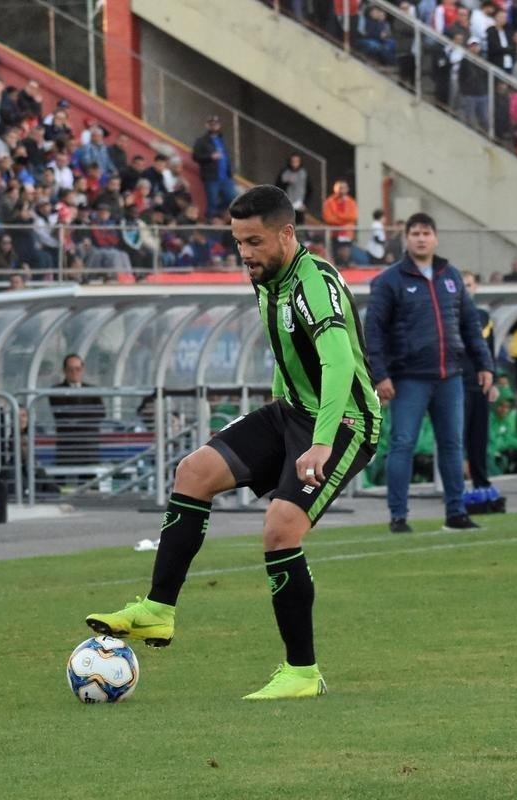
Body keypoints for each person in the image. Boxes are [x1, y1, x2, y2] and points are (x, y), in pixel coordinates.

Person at [86, 186, 381, 700]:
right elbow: (289, 351)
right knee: (193, 472)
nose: (244, 252)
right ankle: (158, 609)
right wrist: (275, 411)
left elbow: (336, 363)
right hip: (291, 412)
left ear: (287, 234)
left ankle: (302, 673)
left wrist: (320, 442)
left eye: (254, 241)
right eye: (238, 241)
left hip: (345, 422)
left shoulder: (314, 283)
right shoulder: (269, 277)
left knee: (281, 529)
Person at [365, 213, 494, 534]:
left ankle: (456, 512)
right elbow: (373, 331)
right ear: (406, 238)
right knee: (402, 443)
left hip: (450, 375)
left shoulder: (451, 276)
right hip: (408, 377)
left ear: (436, 238)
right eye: (415, 233)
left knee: (452, 444)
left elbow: (470, 325)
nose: (421, 239)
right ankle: (398, 516)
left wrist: (485, 364)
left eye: (426, 233)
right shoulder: (389, 280)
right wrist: (380, 375)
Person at [460, 272, 500, 496]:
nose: (466, 289)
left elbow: (489, 351)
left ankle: (481, 483)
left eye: (469, 285)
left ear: (476, 288)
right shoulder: (449, 315)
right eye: (462, 285)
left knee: (479, 436)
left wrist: (493, 379)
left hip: (481, 384)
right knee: (457, 436)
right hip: (458, 383)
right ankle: (456, 486)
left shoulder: (484, 317)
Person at [48, 354, 105, 467]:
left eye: (78, 369)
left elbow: (100, 413)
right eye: (70, 369)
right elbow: (62, 415)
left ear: (82, 370)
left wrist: (76, 416)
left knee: (90, 476)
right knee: (64, 476)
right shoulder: (56, 391)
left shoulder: (93, 390)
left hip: (89, 448)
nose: (74, 372)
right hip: (67, 447)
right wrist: (86, 414)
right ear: (64, 371)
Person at [192, 115, 236, 216]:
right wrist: (210, 157)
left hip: (225, 177)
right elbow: (195, 157)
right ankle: (210, 219)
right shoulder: (201, 141)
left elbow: (227, 157)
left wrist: (230, 173)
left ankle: (218, 215)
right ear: (207, 125)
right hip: (211, 178)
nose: (214, 126)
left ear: (219, 125)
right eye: (211, 124)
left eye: (216, 124)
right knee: (212, 202)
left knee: (232, 198)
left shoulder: (222, 140)